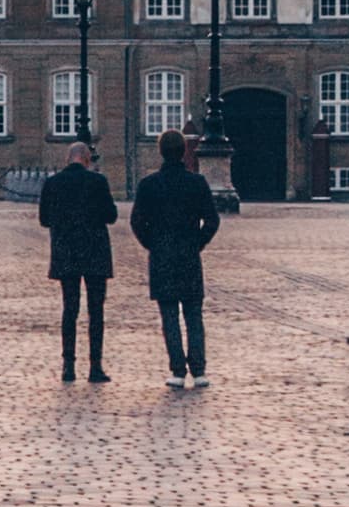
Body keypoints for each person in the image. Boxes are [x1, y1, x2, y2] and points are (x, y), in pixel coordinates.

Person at [129, 130, 220, 386]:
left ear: (161, 151)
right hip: (189, 255)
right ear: (184, 151)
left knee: (169, 315)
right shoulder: (197, 183)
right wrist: (197, 243)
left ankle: (178, 371)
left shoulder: (149, 184)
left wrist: (152, 244)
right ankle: (199, 370)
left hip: (162, 256)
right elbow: (212, 220)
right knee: (193, 315)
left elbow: (137, 221)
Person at [38, 140, 118, 383]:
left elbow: (44, 219)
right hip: (95, 252)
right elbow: (111, 216)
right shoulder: (98, 182)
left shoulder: (53, 183)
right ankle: (95, 367)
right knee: (96, 311)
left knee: (69, 309)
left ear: (68, 158)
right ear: (86, 158)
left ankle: (68, 366)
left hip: (66, 252)